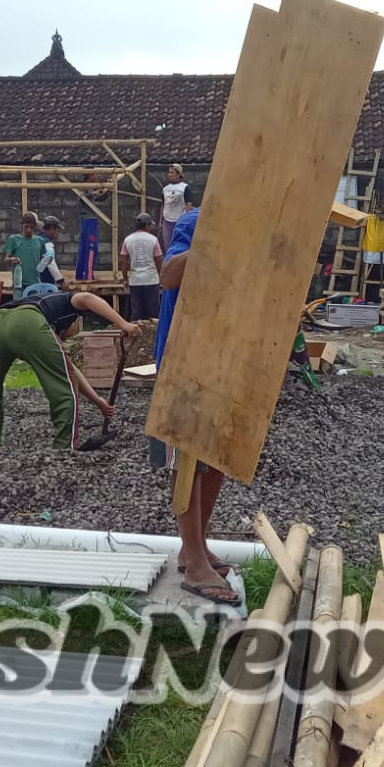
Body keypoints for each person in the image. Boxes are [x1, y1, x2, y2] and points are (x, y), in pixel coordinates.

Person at [148, 188, 237, 606]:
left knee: (217, 455)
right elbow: (168, 275)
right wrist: (212, 238)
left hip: (223, 353)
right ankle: (195, 561)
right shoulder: (194, 221)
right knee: (188, 458)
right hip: (184, 357)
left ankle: (193, 548)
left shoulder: (249, 226)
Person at [0, 290, 140, 452]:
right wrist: (123, 323)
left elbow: (69, 371)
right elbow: (86, 297)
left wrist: (98, 401)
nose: (65, 337)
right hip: (27, 320)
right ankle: (64, 449)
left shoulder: (47, 316)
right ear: (76, 322)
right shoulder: (66, 302)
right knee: (64, 392)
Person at [120, 213, 163, 321]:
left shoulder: (127, 240)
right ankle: (154, 335)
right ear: (147, 226)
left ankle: (136, 335)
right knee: (153, 313)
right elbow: (159, 261)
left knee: (137, 313)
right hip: (151, 280)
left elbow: (124, 262)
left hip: (135, 281)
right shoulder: (153, 240)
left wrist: (125, 279)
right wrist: (161, 277)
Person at [2, 211, 48, 292]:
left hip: (35, 283)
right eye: (26, 227)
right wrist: (11, 259)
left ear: (35, 227)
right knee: (19, 304)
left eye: (32, 227)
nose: (29, 230)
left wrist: (47, 260)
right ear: (22, 225)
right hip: (19, 283)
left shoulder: (40, 241)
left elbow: (43, 260)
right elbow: (5, 260)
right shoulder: (13, 240)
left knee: (33, 304)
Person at [75, 174, 109, 281]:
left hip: (88, 221)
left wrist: (106, 189)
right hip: (89, 221)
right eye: (94, 175)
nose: (96, 177)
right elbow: (91, 194)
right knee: (91, 247)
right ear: (89, 176)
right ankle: (88, 275)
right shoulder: (85, 187)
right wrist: (101, 189)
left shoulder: (88, 188)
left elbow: (100, 197)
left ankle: (81, 274)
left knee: (84, 247)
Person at [160, 163, 188, 249]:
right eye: (169, 172)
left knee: (180, 245)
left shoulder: (184, 187)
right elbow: (163, 205)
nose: (169, 175)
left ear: (178, 174)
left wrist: (186, 222)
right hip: (167, 221)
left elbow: (189, 206)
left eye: (172, 173)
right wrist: (161, 221)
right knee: (167, 246)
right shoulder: (165, 189)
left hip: (179, 221)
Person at [38, 216, 66, 287]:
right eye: (57, 230)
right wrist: (61, 281)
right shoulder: (47, 243)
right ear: (52, 228)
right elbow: (51, 264)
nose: (58, 233)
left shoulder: (38, 239)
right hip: (45, 282)